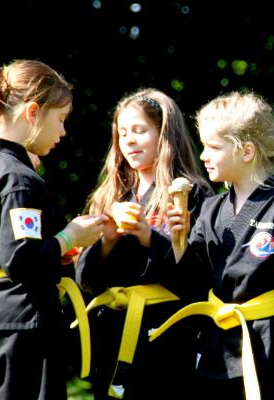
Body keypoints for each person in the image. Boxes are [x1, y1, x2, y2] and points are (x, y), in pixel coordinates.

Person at [147, 91, 274, 400]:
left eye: (212, 147)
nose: (203, 156)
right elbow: (191, 284)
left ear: (246, 151)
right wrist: (179, 244)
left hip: (269, 350)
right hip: (214, 352)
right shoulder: (211, 209)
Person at [0, 59, 106, 400]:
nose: (62, 132)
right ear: (33, 112)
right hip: (16, 330)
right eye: (60, 120)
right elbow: (21, 260)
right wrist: (71, 237)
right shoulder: (16, 176)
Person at [75, 88, 214, 399]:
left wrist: (148, 237)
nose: (130, 141)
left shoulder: (193, 195)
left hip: (165, 339)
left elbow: (198, 279)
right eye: (123, 133)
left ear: (163, 135)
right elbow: (87, 281)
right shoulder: (111, 196)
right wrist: (107, 240)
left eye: (140, 131)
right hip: (111, 336)